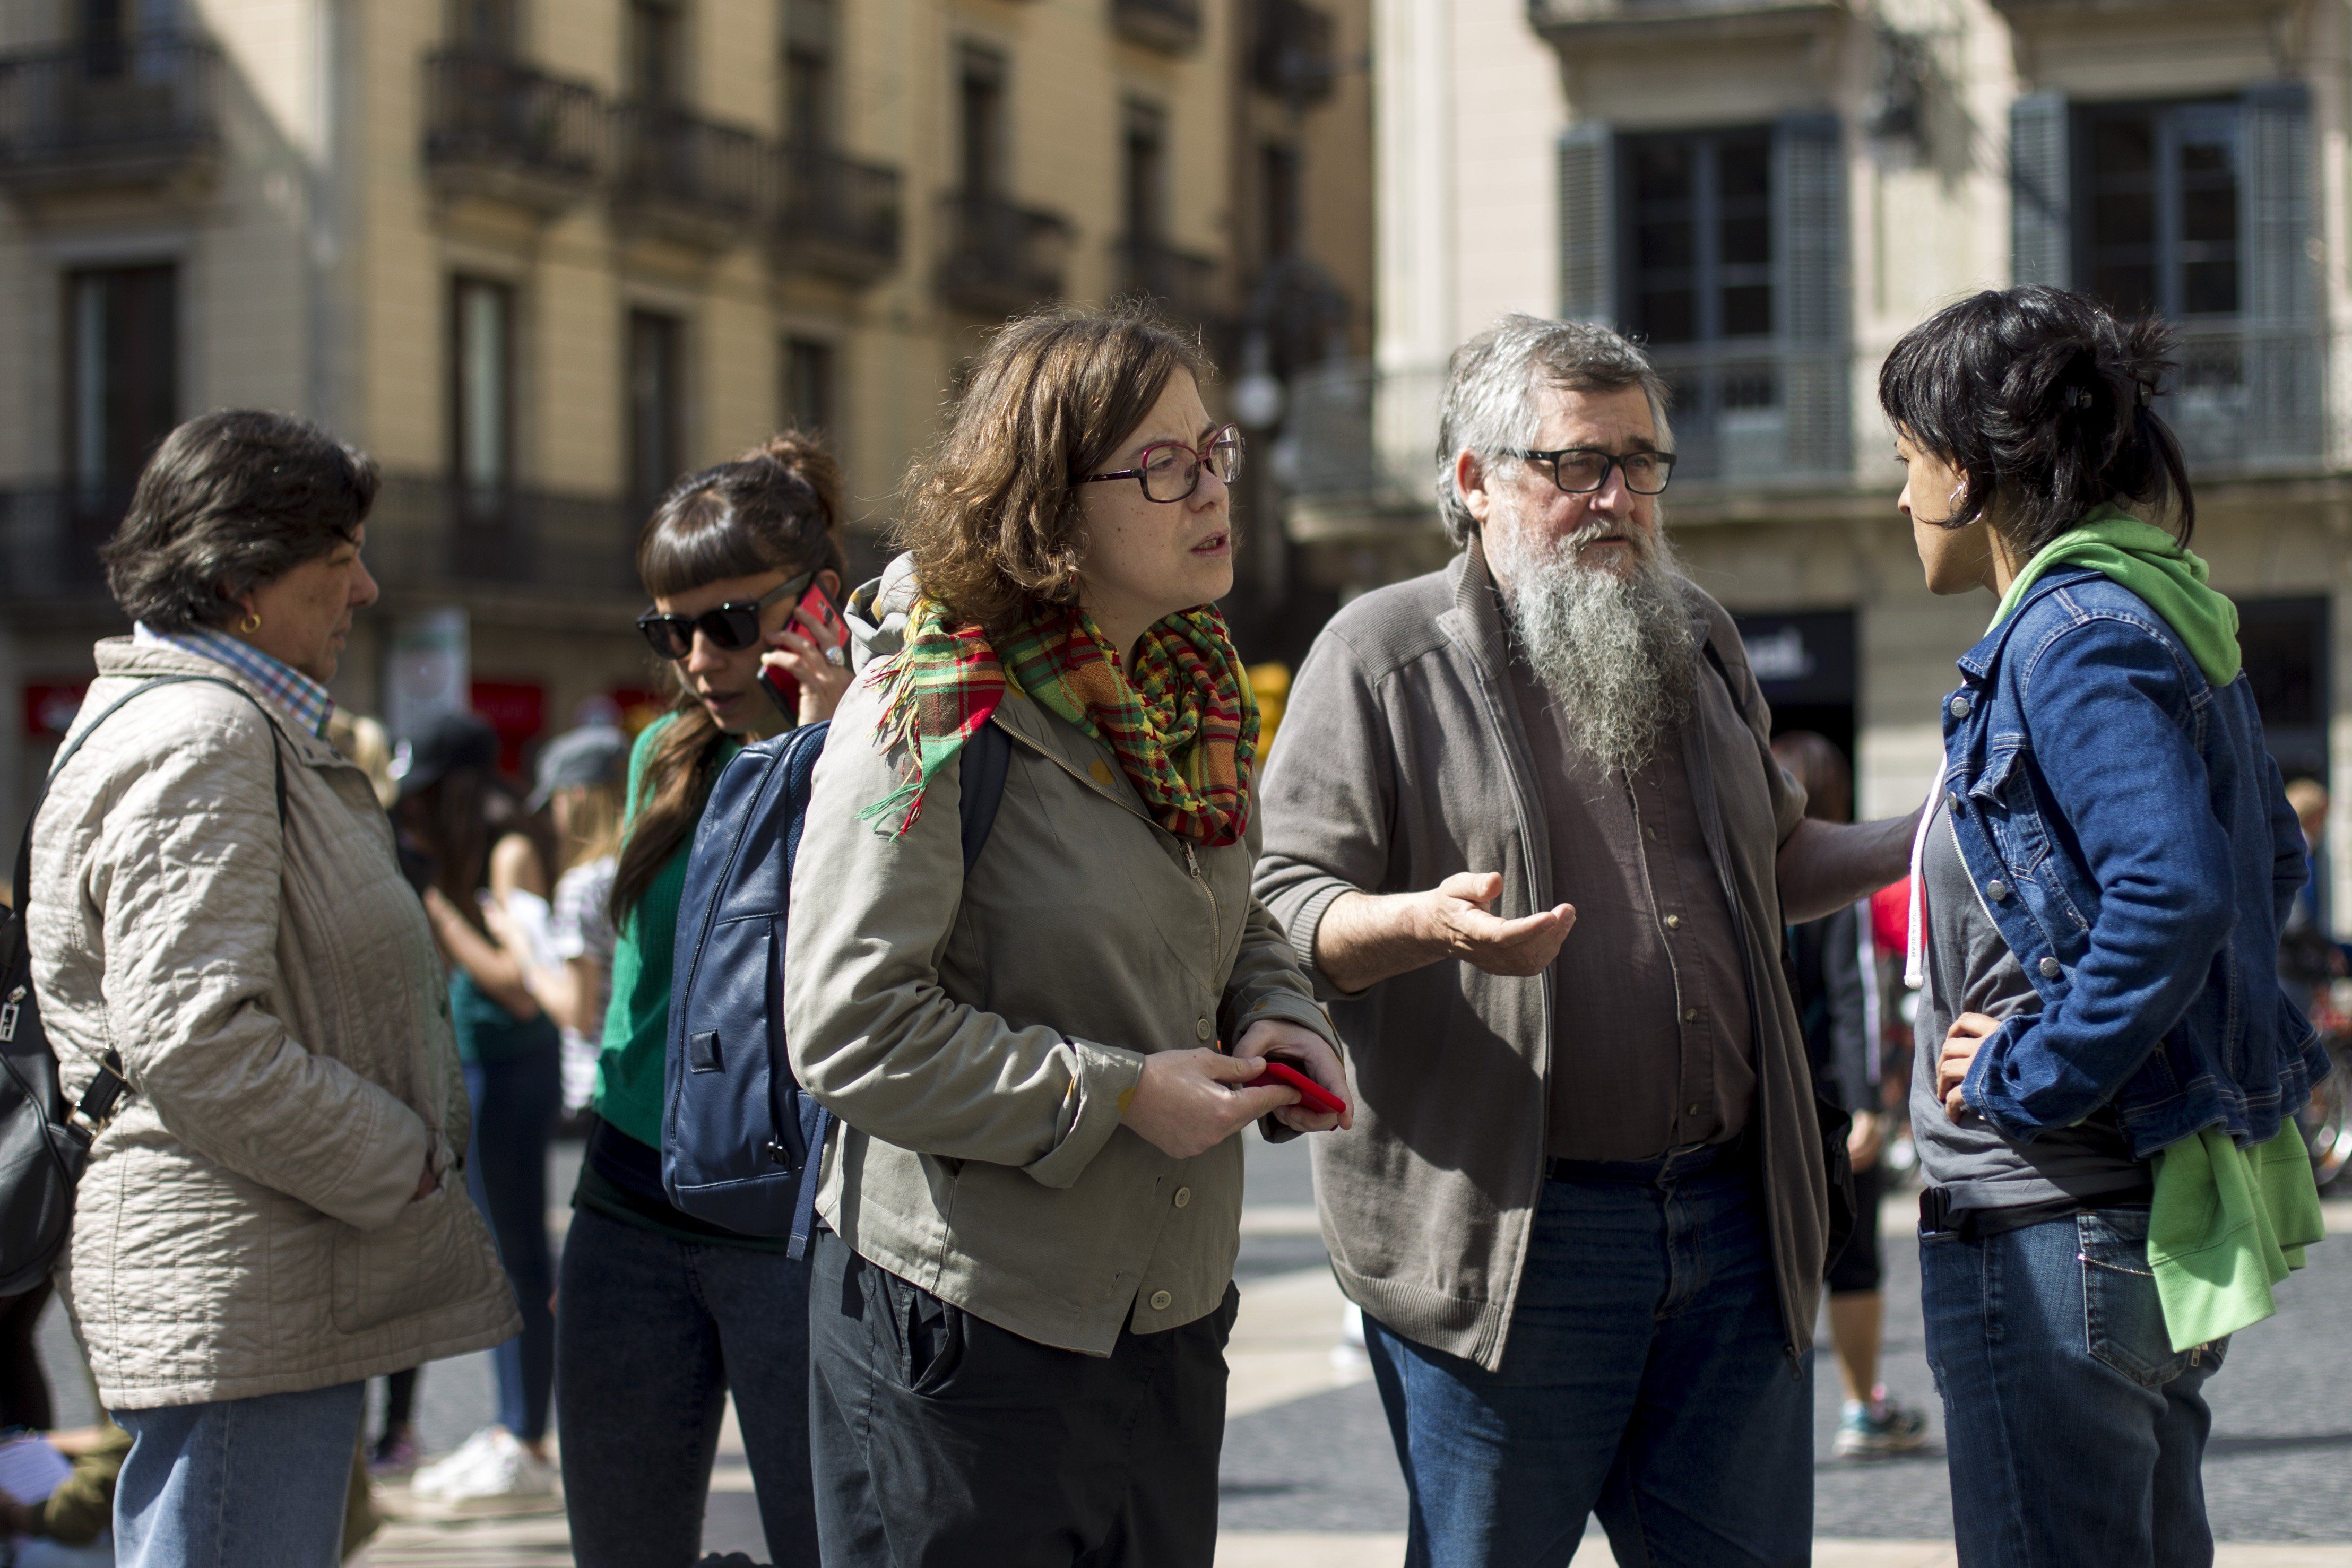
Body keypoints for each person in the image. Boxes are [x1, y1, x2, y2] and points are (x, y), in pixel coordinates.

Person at [1251, 314, 1916, 1567]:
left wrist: (1916, 836)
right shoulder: (1380, 654)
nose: (1618, 496)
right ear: (1472, 484)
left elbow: (1775, 863)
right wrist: (1422, 924)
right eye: (1576, 465)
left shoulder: (1700, 634)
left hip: (1730, 1226)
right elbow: (1277, 901)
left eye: (1643, 463)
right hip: (1514, 1244)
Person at [785, 306, 1350, 1567]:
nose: (1209, 489)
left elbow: (1227, 909)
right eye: (1163, 467)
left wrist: (1278, 1012)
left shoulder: (1189, 682)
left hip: (1167, 1315)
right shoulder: (926, 703)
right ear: (1047, 503)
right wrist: (1115, 1094)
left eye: (1214, 453)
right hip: (970, 1330)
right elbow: (847, 1027)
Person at [23, 410, 516, 1564]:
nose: (367, 590)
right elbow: (195, 1038)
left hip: (255, 1272)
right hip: (240, 1280)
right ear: (245, 581)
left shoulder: (209, 720)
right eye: (339, 563)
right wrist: (392, 1156)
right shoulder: (204, 733)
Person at [1884, 285, 2328, 1565]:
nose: (1898, 499)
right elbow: (2267, 860)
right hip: (2126, 1217)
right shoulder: (2160, 608)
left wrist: (2037, 1065)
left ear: (1966, 475)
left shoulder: (2065, 637)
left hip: (2050, 1221)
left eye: (1907, 463)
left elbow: (2180, 889)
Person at [557, 434, 854, 1567]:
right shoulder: (660, 760)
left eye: (728, 623)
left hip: (791, 1228)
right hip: (624, 1214)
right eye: (667, 629)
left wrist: (835, 740)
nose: (696, 657)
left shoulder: (882, 750)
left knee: (819, 1543)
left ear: (813, 601)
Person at [400, 711, 563, 1504]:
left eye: (426, 796)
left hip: (511, 1067)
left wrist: (441, 914)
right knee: (501, 1255)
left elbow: (522, 985)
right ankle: (512, 1425)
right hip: (484, 1068)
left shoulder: (511, 849)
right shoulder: (483, 851)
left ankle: (525, 1433)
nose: (417, 813)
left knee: (517, 1257)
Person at [1771, 731, 1928, 1459]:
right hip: (1832, 1100)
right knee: (1852, 1255)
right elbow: (1856, 995)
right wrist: (1869, 1102)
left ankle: (1771, 1413)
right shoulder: (1836, 878)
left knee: (1779, 1250)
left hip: (1762, 1096)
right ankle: (1861, 1405)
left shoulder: (1740, 867)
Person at [488, 724, 630, 1121]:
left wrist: (522, 948)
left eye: (555, 802)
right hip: (646, 1081)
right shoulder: (646, 867)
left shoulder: (585, 884)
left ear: (578, 796)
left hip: (598, 1088)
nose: (553, 818)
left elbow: (577, 1013)